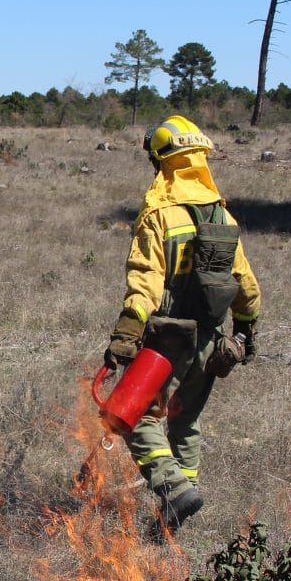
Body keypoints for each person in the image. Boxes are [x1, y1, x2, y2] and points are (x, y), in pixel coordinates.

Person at [103, 115, 261, 538]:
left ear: (162, 163)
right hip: (210, 338)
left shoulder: (159, 215)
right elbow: (245, 284)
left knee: (136, 416)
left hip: (167, 341)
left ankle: (174, 492)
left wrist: (126, 335)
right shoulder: (222, 217)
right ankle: (176, 512)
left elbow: (145, 281)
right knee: (185, 420)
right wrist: (246, 331)